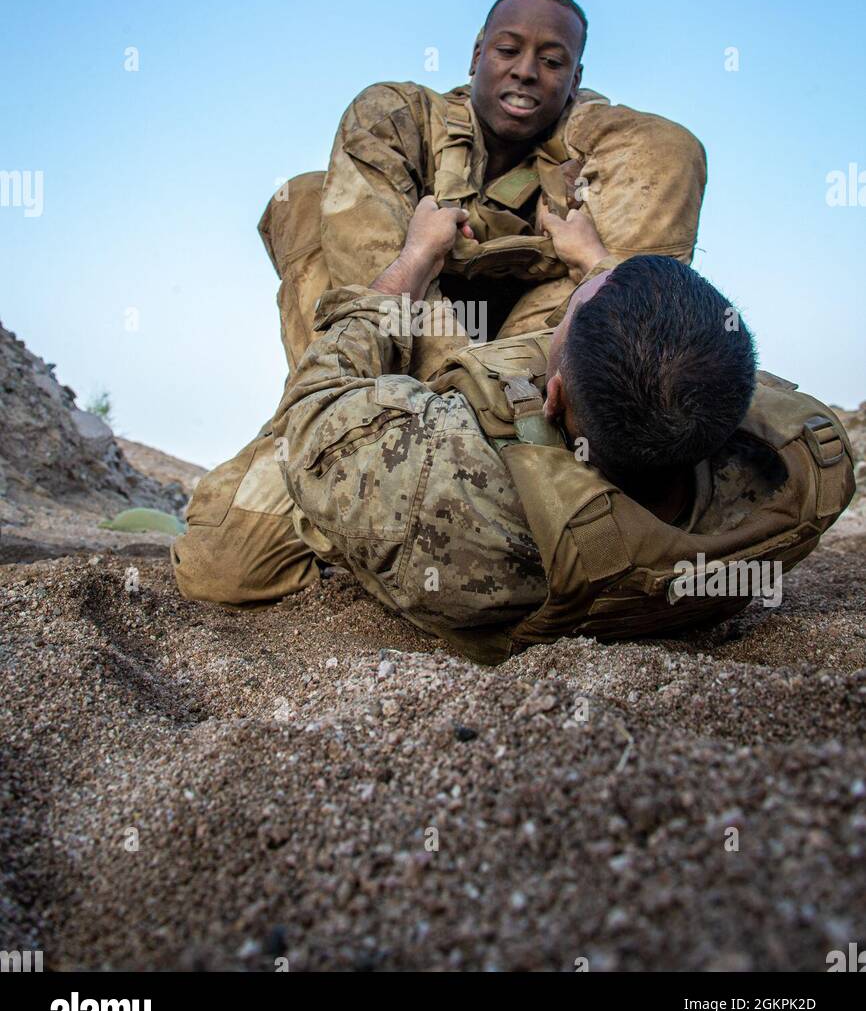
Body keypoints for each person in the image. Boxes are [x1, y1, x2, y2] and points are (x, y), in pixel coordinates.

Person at [172, 0, 707, 605]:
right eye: (508, 49)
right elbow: (362, 298)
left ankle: (462, 489)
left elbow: (652, 221)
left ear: (577, 75)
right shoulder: (397, 118)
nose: (527, 71)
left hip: (533, 384)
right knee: (224, 567)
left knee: (668, 157)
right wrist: (421, 257)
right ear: (476, 53)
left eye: (553, 61)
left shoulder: (594, 148)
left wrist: (592, 262)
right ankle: (392, 492)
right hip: (391, 373)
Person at [259, 197, 855, 663]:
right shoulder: (810, 468)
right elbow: (677, 361)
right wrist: (596, 262)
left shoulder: (445, 483)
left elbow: (314, 405)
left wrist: (416, 258)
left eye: (561, 319)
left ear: (554, 394)